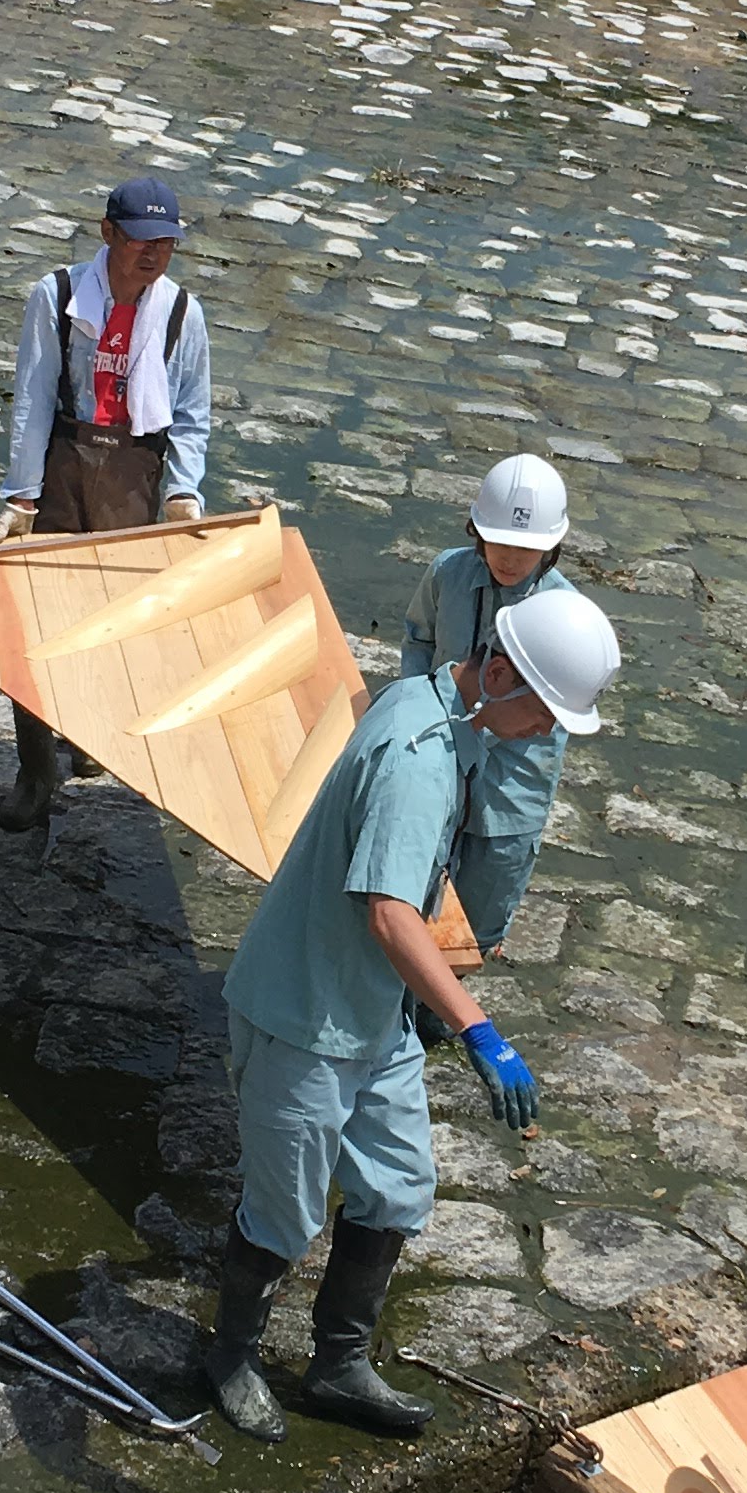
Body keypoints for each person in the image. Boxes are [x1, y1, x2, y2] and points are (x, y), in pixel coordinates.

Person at [201, 589, 622, 1447]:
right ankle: (229, 1355)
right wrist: (478, 1030)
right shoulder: (418, 759)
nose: (546, 734)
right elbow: (392, 914)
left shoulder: (437, 700)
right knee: (284, 1213)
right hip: (303, 1014)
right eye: (544, 712)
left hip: (373, 1015)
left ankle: (337, 1364)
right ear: (498, 672)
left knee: (396, 1185)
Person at [0, 174, 213, 831]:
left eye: (166, 244)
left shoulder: (181, 315)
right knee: (33, 621)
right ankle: (35, 769)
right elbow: (32, 398)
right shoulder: (57, 296)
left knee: (112, 619)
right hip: (64, 459)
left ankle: (87, 737)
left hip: (133, 471)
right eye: (141, 241)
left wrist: (181, 492)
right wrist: (21, 494)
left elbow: (192, 416)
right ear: (108, 233)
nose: (153, 255)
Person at [397, 451, 572, 954]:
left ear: (552, 546)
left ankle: (448, 1006)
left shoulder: (563, 612)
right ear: (477, 530)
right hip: (438, 750)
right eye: (500, 541)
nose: (511, 558)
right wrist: (417, 703)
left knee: (486, 899)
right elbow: (419, 639)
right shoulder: (447, 573)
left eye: (527, 547)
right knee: (418, 876)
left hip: (514, 777)